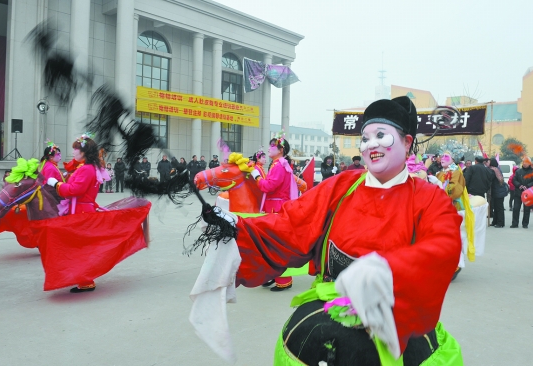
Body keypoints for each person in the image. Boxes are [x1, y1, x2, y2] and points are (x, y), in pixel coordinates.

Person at [192, 97, 463, 364]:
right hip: (328, 310)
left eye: (381, 135)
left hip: (399, 319)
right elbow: (292, 224)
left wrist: (390, 272)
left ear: (407, 143)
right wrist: (238, 229)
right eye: (365, 138)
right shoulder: (341, 186)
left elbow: (443, 245)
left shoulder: (428, 197)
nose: (372, 145)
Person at [46, 133, 103, 293]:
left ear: (84, 152)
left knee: (80, 247)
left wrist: (57, 184)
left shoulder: (86, 169)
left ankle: (86, 281)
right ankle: (82, 278)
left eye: (76, 150)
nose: (73, 153)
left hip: (81, 212)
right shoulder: (87, 167)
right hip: (81, 209)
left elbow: (75, 190)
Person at [248, 135, 299, 292]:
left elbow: (268, 186)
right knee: (269, 245)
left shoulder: (278, 166)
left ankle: (284, 279)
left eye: (272, 146)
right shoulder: (278, 164)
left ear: (281, 150)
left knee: (275, 245)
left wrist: (255, 176)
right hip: (274, 207)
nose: (269, 148)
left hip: (275, 209)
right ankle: (272, 275)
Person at [511, 157, 533, 228]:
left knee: (527, 210)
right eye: (524, 162)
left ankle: (525, 224)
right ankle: (515, 224)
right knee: (516, 208)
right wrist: (519, 185)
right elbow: (514, 180)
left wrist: (527, 186)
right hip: (518, 192)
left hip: (528, 194)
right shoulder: (518, 171)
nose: (524, 163)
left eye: (526, 162)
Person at [488, 158, 507, 228]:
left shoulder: (493, 170)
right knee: (496, 207)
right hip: (497, 191)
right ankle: (495, 221)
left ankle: (500, 223)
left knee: (499, 208)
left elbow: (490, 179)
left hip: (498, 191)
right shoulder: (497, 169)